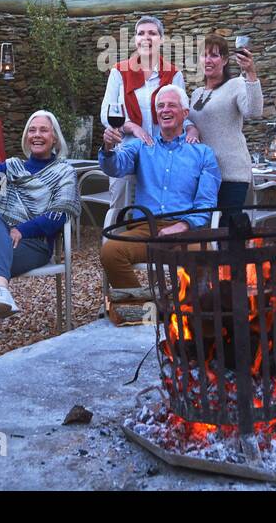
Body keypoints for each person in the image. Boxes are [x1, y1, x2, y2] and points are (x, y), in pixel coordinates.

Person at [0, 110, 81, 374]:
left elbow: (59, 214)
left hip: (33, 244)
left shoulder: (63, 172)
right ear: (26, 137)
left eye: (43, 130)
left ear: (54, 138)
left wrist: (22, 229)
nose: (37, 135)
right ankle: (0, 289)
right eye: (32, 130)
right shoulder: (12, 168)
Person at [98, 85, 220, 306]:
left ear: (185, 113)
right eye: (160, 106)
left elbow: (207, 203)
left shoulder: (203, 153)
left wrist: (182, 226)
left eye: (171, 105)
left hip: (184, 230)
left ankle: (190, 315)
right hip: (146, 228)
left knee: (204, 255)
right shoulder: (142, 146)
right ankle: (144, 310)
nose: (165, 110)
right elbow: (114, 167)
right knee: (111, 252)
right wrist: (108, 148)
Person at [99, 15, 193, 210]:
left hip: (163, 156)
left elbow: (182, 114)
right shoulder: (119, 72)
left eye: (152, 33)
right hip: (126, 153)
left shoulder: (173, 74)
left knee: (159, 210)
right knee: (120, 210)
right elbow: (105, 114)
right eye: (141, 33)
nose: (146, 38)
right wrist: (131, 126)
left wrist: (192, 128)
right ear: (135, 39)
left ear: (162, 39)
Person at [188, 34, 263, 224]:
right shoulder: (196, 94)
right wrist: (191, 128)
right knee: (204, 228)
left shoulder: (236, 84)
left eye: (214, 55)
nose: (208, 60)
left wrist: (251, 74)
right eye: (204, 55)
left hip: (231, 173)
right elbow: (186, 121)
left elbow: (253, 112)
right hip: (204, 174)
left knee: (227, 230)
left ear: (225, 60)